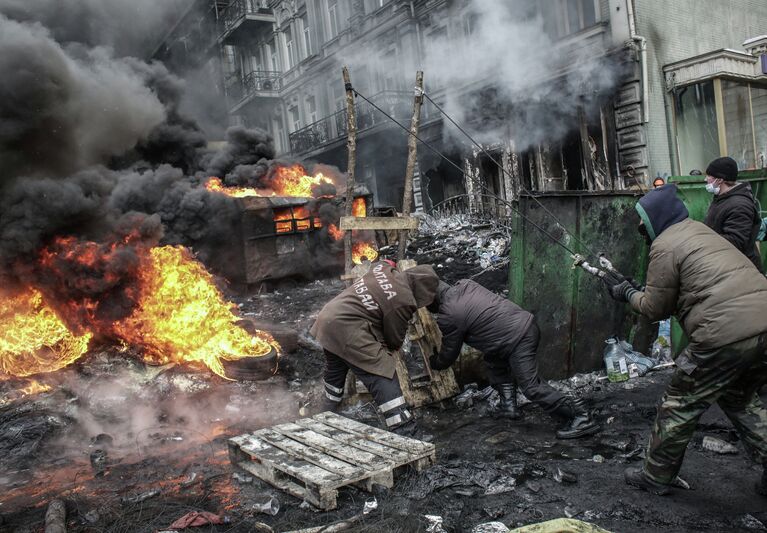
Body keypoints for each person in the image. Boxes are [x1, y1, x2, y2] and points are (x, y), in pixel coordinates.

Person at [605, 183, 767, 496]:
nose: (642, 231)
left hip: (723, 334)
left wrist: (627, 294)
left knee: (679, 403)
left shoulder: (665, 245)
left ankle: (655, 476)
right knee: (741, 398)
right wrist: (641, 290)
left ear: (656, 219)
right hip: (761, 323)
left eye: (643, 225)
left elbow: (655, 309)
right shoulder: (700, 232)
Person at [427, 279, 600, 440]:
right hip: (521, 329)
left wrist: (435, 362)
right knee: (494, 362)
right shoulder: (466, 284)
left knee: (531, 388)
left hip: (518, 339)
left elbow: (449, 354)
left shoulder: (449, 313)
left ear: (431, 299)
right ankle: (508, 407)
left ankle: (581, 415)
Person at [309, 260, 438, 437]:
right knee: (383, 371)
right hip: (348, 328)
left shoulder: (385, 270)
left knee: (336, 368)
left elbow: (380, 263)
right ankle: (406, 431)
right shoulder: (403, 300)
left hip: (329, 319)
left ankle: (325, 412)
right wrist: (386, 350)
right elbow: (394, 339)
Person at [703, 156, 763, 271]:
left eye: (709, 176)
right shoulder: (722, 199)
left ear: (720, 180)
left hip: (743, 271)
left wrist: (703, 240)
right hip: (730, 267)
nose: (706, 179)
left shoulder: (740, 205)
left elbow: (736, 241)